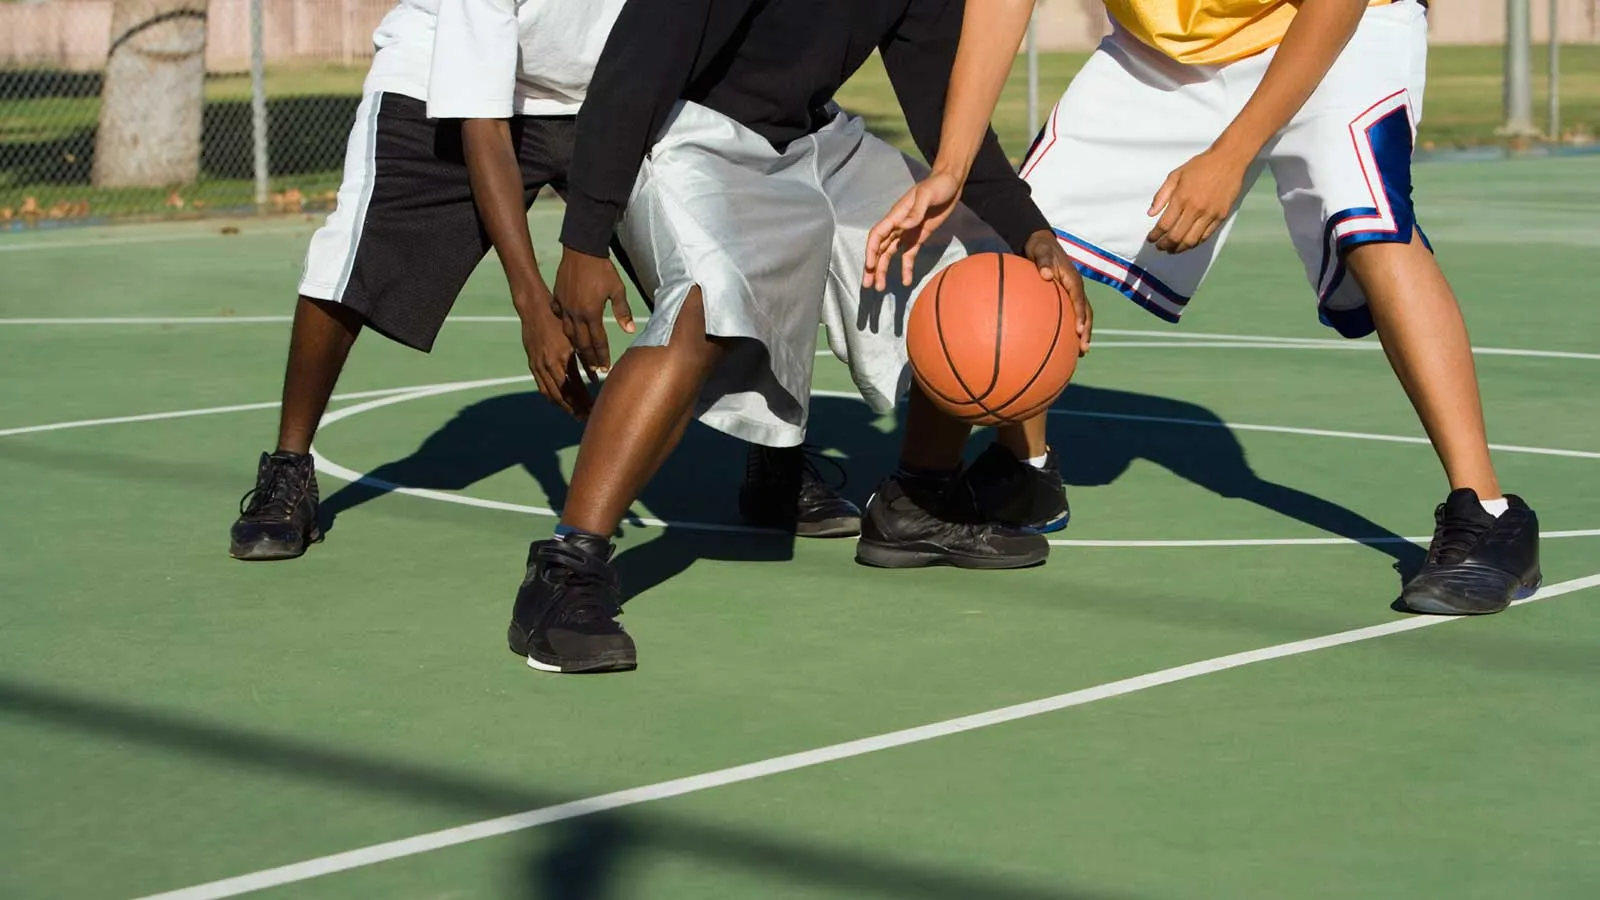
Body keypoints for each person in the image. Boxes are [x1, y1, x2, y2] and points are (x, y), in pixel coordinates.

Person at [864, 0, 1541, 616]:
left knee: (1365, 219)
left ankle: (1487, 512)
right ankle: (955, 482)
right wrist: (954, 165)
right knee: (1019, 233)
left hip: (1341, 30)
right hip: (1166, 53)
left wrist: (1232, 151)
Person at [508, 0, 1095, 675]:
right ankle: (567, 568)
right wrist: (586, 237)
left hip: (817, 142)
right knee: (706, 307)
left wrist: (1032, 233)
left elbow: (943, 102)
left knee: (979, 264)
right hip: (690, 133)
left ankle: (918, 499)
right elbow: (636, 62)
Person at [226, 0, 860, 562]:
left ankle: (776, 455)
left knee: (751, 236)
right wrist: (533, 304)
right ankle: (289, 465)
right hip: (446, 87)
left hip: (621, 91)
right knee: (353, 257)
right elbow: (482, 123)